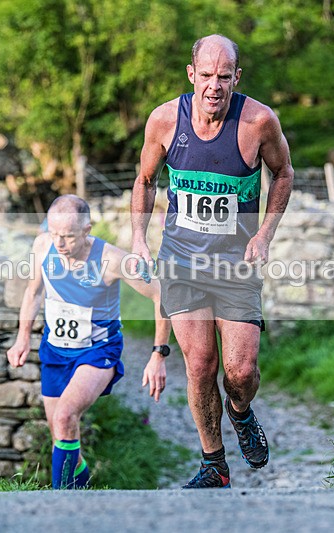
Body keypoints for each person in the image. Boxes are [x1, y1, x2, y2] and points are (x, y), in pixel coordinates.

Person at [130, 34, 293, 488]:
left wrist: (264, 234)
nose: (214, 86)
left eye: (224, 76)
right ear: (191, 75)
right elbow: (144, 180)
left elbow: (283, 173)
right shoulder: (164, 120)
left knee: (240, 372)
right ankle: (213, 463)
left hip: (235, 264)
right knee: (200, 364)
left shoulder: (258, 120)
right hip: (181, 260)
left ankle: (240, 411)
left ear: (236, 78)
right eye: (206, 75)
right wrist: (138, 240)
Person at [7, 195, 171, 489]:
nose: (60, 243)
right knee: (60, 432)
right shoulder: (43, 246)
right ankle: (82, 487)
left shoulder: (112, 260)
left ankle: (62, 501)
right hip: (54, 351)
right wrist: (22, 339)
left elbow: (162, 295)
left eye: (68, 236)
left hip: (97, 352)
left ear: (87, 230)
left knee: (66, 416)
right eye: (55, 233)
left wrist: (158, 353)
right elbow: (33, 293)